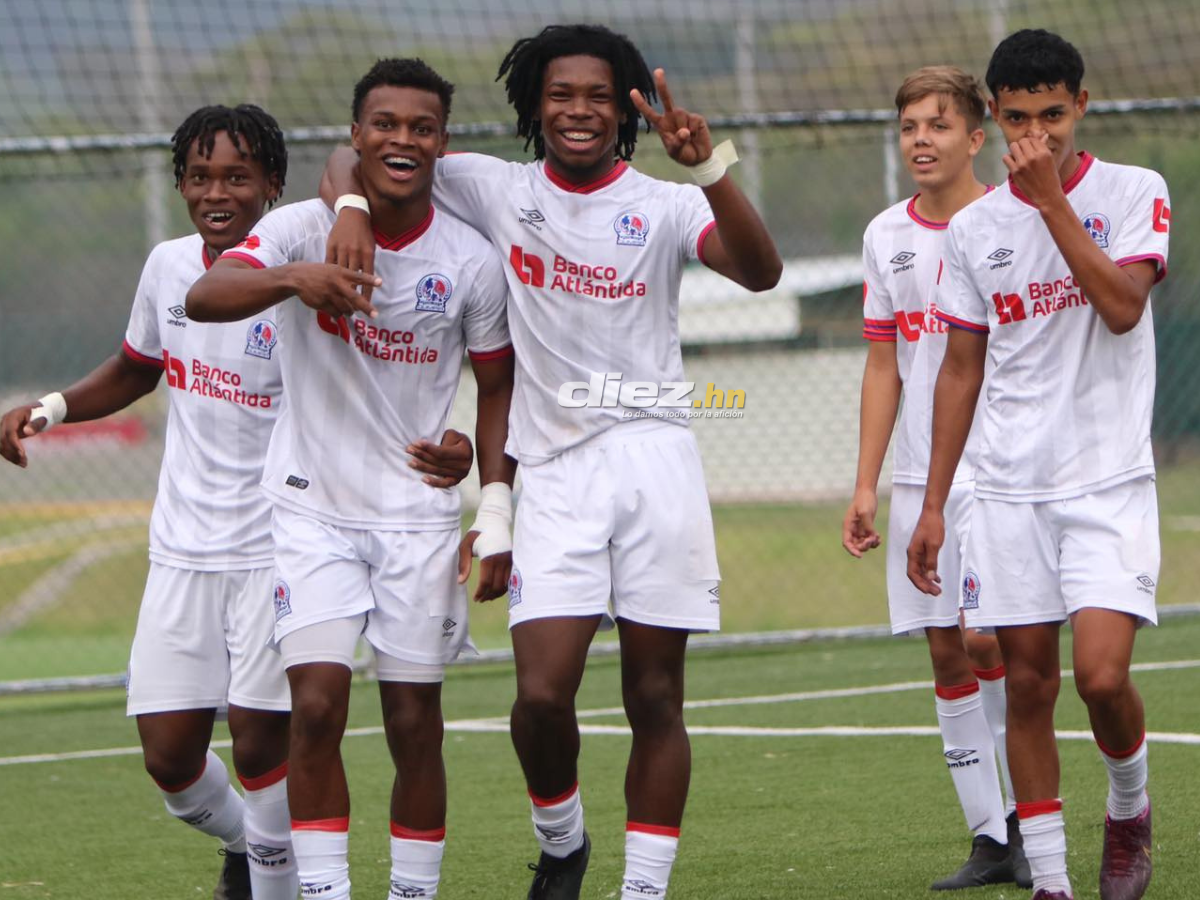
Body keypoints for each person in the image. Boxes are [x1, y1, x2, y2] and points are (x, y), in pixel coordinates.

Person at [321, 24, 781, 900]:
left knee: (655, 696)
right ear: (535, 104)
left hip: (654, 459)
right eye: (561, 95)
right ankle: (562, 836)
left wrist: (711, 170)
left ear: (624, 112)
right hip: (557, 472)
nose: (579, 111)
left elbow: (761, 273)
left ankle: (642, 890)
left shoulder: (665, 203)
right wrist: (347, 207)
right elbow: (361, 162)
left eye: (598, 96)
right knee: (538, 696)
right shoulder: (494, 187)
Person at [187, 58, 514, 900]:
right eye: (385, 124)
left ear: (442, 141)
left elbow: (497, 387)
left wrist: (486, 486)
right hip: (311, 511)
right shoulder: (302, 226)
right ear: (357, 134)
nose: (403, 140)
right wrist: (297, 277)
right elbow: (207, 293)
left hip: (418, 516)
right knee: (317, 707)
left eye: (422, 128)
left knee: (413, 724)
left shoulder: (471, 261)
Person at [0, 104, 300, 900]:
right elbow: (139, 366)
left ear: (272, 183)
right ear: (180, 184)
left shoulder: (298, 280)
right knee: (169, 759)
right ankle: (247, 848)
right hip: (182, 551)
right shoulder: (168, 266)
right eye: (199, 176)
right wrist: (52, 409)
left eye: (236, 176)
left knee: (261, 749)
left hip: (276, 549)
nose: (216, 192)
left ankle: (276, 887)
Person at [907, 29, 1169, 900]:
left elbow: (1123, 307)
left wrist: (1053, 203)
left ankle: (1128, 807)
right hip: (1007, 491)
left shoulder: (1133, 191)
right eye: (1017, 119)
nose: (1035, 135)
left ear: (1081, 105)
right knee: (1025, 684)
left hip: (1108, 483)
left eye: (1052, 115)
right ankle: (1052, 882)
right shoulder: (972, 230)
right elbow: (960, 370)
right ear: (995, 114)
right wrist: (934, 504)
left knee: (1101, 677)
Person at [843, 66, 1029, 891]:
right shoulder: (885, 233)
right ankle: (991, 835)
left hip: (999, 468)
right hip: (920, 478)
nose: (921, 139)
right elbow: (883, 364)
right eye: (910, 126)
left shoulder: (1013, 220)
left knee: (991, 638)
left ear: (976, 137)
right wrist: (866, 484)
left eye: (939, 125)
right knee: (947, 652)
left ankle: (1033, 816)